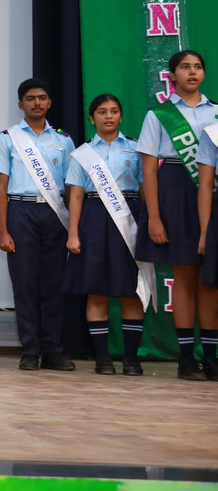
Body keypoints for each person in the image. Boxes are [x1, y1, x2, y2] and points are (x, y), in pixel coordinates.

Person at [136, 50, 217, 381]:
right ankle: (186, 359)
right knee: (184, 278)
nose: (192, 72)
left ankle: (210, 357)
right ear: (173, 75)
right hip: (174, 192)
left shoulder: (216, 113)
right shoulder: (159, 115)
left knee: (211, 282)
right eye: (185, 67)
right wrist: (154, 217)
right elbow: (147, 170)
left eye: (197, 67)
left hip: (212, 194)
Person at [0, 77, 76, 372]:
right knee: (25, 284)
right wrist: (2, 229)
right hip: (20, 212)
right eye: (30, 98)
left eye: (42, 98)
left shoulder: (63, 140)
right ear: (20, 104)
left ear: (49, 102)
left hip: (54, 215)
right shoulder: (7, 138)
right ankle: (29, 349)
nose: (37, 103)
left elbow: (71, 186)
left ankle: (53, 349)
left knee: (53, 284)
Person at [65, 94, 146, 376]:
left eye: (114, 112)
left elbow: (146, 190)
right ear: (92, 118)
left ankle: (132, 359)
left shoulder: (136, 149)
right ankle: (102, 359)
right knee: (96, 291)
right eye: (102, 112)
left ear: (121, 117)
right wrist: (73, 233)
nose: (108, 116)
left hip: (129, 218)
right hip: (94, 219)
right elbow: (75, 196)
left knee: (131, 291)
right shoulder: (82, 153)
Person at [198, 115, 218, 380]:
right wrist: (204, 231)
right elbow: (204, 185)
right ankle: (211, 359)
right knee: (213, 288)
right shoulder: (213, 133)